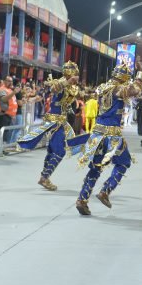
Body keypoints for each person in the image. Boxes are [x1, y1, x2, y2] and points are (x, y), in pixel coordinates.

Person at [75, 63, 142, 216]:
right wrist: (139, 78)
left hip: (97, 132)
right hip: (111, 135)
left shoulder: (102, 87)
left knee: (96, 167)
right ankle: (106, 190)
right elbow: (134, 90)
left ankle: (82, 199)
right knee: (124, 162)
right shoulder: (118, 89)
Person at [19, 62, 89, 191]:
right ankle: (45, 177)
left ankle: (44, 177)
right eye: (74, 74)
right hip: (54, 122)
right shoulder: (61, 83)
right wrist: (68, 82)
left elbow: (74, 97)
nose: (76, 77)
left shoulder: (72, 87)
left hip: (62, 121)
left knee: (52, 149)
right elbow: (53, 89)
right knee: (60, 151)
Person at [0, 76, 19, 147]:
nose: (10, 82)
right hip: (2, 114)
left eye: (11, 81)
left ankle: (2, 149)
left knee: (5, 133)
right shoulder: (2, 89)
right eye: (8, 81)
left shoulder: (10, 90)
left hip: (9, 115)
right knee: (0, 133)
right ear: (4, 81)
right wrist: (13, 93)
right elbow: (3, 99)